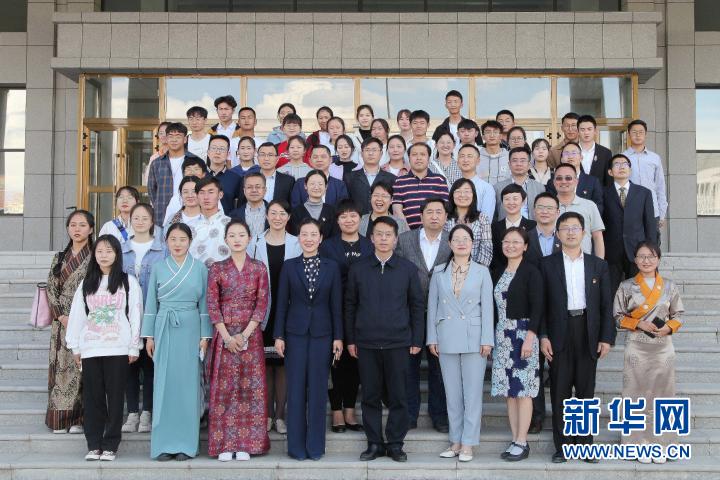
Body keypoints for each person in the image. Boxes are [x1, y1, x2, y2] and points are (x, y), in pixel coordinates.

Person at [345, 216, 425, 463]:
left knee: (399, 396)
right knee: (370, 396)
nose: (383, 238)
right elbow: (350, 305)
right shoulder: (358, 268)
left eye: (388, 234)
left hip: (398, 342)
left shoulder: (407, 269)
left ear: (395, 239)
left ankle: (395, 444)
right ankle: (374, 443)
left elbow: (416, 306)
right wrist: (351, 339)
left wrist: (417, 339)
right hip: (366, 342)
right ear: (371, 238)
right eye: (378, 234)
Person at [539, 212, 615, 464]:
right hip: (558, 332)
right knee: (559, 392)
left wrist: (606, 337)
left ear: (583, 233)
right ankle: (562, 448)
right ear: (557, 234)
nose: (570, 232)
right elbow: (541, 304)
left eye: (575, 228)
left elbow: (606, 305)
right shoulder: (546, 265)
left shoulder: (598, 265)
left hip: (587, 330)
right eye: (565, 228)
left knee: (585, 392)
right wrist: (543, 336)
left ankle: (585, 446)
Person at [66, 234, 143, 462]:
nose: (104, 255)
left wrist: (134, 347)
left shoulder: (128, 282)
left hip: (118, 348)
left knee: (116, 398)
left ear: (117, 254)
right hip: (91, 348)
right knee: (93, 399)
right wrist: (75, 346)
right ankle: (94, 444)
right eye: (99, 251)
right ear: (94, 255)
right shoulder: (86, 283)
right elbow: (77, 316)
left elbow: (135, 314)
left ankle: (110, 444)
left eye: (109, 251)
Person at [141, 223, 212, 461]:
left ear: (190, 241)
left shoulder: (200, 268)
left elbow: (205, 305)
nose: (178, 244)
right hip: (164, 326)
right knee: (164, 385)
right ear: (166, 242)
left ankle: (186, 445)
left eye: (182, 239)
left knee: (187, 386)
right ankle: (163, 444)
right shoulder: (159, 267)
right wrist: (149, 336)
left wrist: (205, 336)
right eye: (173, 239)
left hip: (191, 327)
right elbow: (151, 302)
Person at [274, 218, 343, 461]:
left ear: (321, 238)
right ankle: (296, 448)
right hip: (295, 334)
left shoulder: (331, 267)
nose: (309, 238)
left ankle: (315, 447)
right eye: (304, 234)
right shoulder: (289, 266)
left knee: (317, 391)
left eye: (314, 234)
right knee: (295, 390)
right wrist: (279, 335)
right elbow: (282, 303)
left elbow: (336, 305)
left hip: (323, 335)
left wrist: (338, 337)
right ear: (298, 238)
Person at [427, 224, 494, 463]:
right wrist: (431, 337)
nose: (462, 243)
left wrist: (487, 339)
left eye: (466, 239)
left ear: (473, 243)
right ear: (450, 243)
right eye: (457, 239)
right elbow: (432, 306)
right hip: (446, 335)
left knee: (472, 393)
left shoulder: (482, 271)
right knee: (452, 392)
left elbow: (488, 307)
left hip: (474, 337)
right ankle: (455, 441)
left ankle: (468, 443)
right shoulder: (438, 272)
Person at [614, 242, 684, 464]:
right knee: (634, 393)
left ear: (658, 259)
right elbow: (617, 316)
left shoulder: (669, 286)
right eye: (641, 256)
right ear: (635, 260)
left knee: (664, 394)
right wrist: (638, 323)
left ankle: (663, 443)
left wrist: (669, 327)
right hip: (636, 346)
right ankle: (635, 443)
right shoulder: (626, 286)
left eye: (651, 256)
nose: (646, 260)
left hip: (663, 347)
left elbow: (678, 315)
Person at [206, 220, 270, 461]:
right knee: (224, 389)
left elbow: (262, 303)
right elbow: (212, 304)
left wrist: (244, 335)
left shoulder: (259, 268)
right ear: (225, 240)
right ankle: (224, 444)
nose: (236, 239)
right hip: (224, 335)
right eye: (231, 235)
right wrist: (226, 337)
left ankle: (247, 443)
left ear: (249, 238)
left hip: (250, 336)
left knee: (249, 389)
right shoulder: (217, 268)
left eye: (241, 235)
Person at [396, 198, 451, 433]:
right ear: (421, 215)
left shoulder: (452, 240)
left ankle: (439, 415)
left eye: (439, 212)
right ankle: (409, 414)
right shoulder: (405, 239)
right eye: (430, 212)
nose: (434, 216)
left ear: (446, 217)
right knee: (409, 365)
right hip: (409, 311)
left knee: (440, 367)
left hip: (442, 313)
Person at [248, 200, 302, 435]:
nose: (277, 217)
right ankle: (266, 414)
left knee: (283, 365)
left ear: (288, 217)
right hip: (262, 311)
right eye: (273, 213)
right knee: (265, 364)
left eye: (282, 213)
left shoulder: (297, 243)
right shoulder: (254, 243)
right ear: (266, 216)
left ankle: (280, 415)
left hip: (289, 309)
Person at [319, 200, 374, 433]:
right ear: (337, 220)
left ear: (360, 219)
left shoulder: (369, 245)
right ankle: (336, 410)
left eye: (353, 216)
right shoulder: (327, 246)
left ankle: (350, 410)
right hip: (334, 309)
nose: (349, 220)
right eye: (343, 216)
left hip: (364, 311)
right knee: (336, 361)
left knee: (355, 360)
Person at [490, 228, 544, 462]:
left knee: (524, 391)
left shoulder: (532, 271)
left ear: (525, 246)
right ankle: (514, 439)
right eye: (506, 241)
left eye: (516, 242)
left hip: (523, 335)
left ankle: (523, 441)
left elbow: (538, 306)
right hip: (502, 335)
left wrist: (531, 337)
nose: (510, 245)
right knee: (509, 392)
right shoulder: (498, 271)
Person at [46, 210, 95, 434]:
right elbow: (50, 289)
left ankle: (78, 419)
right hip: (61, 321)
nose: (77, 229)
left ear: (91, 229)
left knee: (81, 369)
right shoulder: (59, 257)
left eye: (82, 225)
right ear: (67, 228)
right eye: (73, 225)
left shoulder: (95, 256)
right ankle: (60, 420)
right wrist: (61, 315)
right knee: (61, 370)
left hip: (85, 318)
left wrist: (80, 317)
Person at [121, 204, 164, 434]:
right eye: (135, 218)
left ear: (152, 221)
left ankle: (147, 411)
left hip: (153, 314)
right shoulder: (120, 249)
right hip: (125, 316)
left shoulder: (162, 250)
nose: (139, 221)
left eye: (144, 218)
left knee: (149, 365)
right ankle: (132, 413)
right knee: (130, 364)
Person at [523, 193, 561, 435]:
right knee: (533, 367)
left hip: (560, 310)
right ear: (533, 211)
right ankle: (536, 416)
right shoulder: (524, 238)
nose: (545, 211)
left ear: (557, 211)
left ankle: (560, 416)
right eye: (540, 207)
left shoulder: (566, 237)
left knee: (559, 368)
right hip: (531, 308)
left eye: (550, 207)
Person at [602, 154, 657, 294]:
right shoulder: (603, 193)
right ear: (610, 172)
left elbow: (650, 225)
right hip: (611, 251)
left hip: (637, 250)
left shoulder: (644, 193)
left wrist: (651, 251)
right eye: (617, 164)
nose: (621, 167)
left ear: (630, 170)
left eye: (625, 164)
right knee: (612, 292)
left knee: (639, 292)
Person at [147, 122, 202, 226]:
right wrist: (159, 205)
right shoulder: (157, 163)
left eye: (178, 136)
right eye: (171, 136)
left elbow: (202, 187)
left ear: (185, 139)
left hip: (190, 216)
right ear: (166, 139)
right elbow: (151, 190)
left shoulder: (195, 161)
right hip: (161, 216)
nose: (174, 140)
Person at [623, 119, 667, 238]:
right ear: (628, 134)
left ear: (645, 134)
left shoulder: (655, 158)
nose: (637, 135)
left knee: (652, 244)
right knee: (632, 243)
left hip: (652, 209)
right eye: (634, 132)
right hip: (630, 209)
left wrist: (661, 213)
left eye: (641, 132)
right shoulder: (622, 157)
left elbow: (660, 186)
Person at [552, 163, 605, 257]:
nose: (563, 181)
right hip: (552, 262)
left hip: (584, 262)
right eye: (559, 178)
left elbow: (597, 237)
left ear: (576, 181)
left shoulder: (589, 205)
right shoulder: (547, 207)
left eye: (568, 178)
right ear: (554, 182)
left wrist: (599, 263)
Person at [392, 143, 449, 230]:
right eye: (414, 154)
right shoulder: (400, 181)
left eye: (422, 154)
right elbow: (397, 210)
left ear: (429, 158)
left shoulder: (439, 180)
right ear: (409, 158)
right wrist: (409, 233)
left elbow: (445, 209)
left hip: (434, 232)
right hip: (408, 232)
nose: (418, 158)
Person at [490, 184, 537, 277]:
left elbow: (533, 254)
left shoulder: (533, 226)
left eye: (515, 199)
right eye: (507, 199)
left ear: (523, 201)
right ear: (502, 202)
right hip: (499, 275)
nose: (511, 202)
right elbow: (493, 255)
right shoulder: (494, 227)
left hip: (527, 274)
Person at [445, 179, 492, 267]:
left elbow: (486, 247)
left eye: (467, 191)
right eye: (458, 191)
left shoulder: (482, 218)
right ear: (452, 195)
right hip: (448, 268)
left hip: (476, 270)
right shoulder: (445, 218)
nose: (462, 195)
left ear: (473, 195)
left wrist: (476, 270)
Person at [546, 142, 604, 214]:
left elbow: (598, 206)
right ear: (561, 159)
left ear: (581, 157)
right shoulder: (553, 182)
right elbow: (549, 205)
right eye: (566, 153)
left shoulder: (593, 181)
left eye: (574, 153)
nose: (570, 156)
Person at [344, 137, 396, 215]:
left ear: (381, 153)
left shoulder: (391, 178)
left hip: (383, 220)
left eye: (374, 150)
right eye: (367, 150)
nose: (370, 153)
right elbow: (346, 204)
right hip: (358, 221)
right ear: (361, 153)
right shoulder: (349, 177)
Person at [493, 147, 546, 221]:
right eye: (515, 161)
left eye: (523, 161)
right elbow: (494, 214)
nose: (519, 164)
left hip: (532, 227)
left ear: (529, 164)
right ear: (509, 164)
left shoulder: (539, 188)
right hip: (506, 227)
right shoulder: (498, 187)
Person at [189, 177, 232, 266]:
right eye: (202, 193)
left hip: (224, 273)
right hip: (195, 273)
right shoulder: (189, 226)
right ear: (196, 196)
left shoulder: (231, 224)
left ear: (220, 195)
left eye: (211, 192)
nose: (206, 197)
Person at [288, 170, 337, 239]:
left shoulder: (332, 211)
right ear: (305, 186)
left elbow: (335, 237)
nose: (316, 187)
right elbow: (294, 237)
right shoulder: (296, 212)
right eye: (312, 184)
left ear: (326, 187)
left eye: (320, 184)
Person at [205, 134, 243, 214]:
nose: (217, 152)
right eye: (214, 148)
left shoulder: (236, 178)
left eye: (222, 149)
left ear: (228, 154)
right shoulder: (199, 176)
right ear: (208, 152)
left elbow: (240, 206)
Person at [456, 144, 496, 220]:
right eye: (462, 156)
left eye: (469, 156)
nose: (465, 160)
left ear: (478, 161)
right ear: (457, 161)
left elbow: (486, 219)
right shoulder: (453, 185)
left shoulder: (486, 188)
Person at [228, 172, 269, 238]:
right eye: (249, 187)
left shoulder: (274, 212)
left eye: (258, 187)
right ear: (244, 191)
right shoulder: (233, 215)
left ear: (265, 190)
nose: (254, 190)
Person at [577, 115, 612, 187]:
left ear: (595, 131)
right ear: (578, 132)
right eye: (582, 130)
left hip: (599, 193)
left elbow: (609, 181)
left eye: (589, 129)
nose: (586, 133)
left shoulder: (605, 153)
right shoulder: (570, 151)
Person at [208, 95, 240, 162]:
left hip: (236, 166)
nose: (223, 113)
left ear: (233, 110)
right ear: (217, 111)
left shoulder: (241, 131)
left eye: (226, 109)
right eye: (221, 109)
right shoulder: (210, 132)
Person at [478, 120, 510, 185]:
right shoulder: (476, 157)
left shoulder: (510, 156)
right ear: (483, 137)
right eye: (488, 132)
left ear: (501, 136)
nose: (492, 135)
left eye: (495, 132)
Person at [143, 121, 171, 186]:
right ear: (158, 135)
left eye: (166, 132)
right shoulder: (154, 157)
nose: (163, 135)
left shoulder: (178, 154)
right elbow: (148, 179)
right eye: (161, 133)